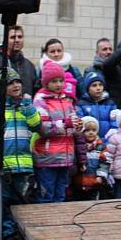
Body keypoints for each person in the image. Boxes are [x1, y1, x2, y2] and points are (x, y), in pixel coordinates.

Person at [0, 68, 41, 240]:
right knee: (3, 201)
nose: (16, 85)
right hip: (3, 165)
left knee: (18, 201)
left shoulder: (25, 105)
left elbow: (36, 124)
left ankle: (17, 232)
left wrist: (27, 105)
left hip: (23, 164)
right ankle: (6, 233)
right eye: (10, 83)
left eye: (18, 81)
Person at [32, 61, 86, 203]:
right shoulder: (40, 101)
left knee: (61, 195)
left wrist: (78, 126)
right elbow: (42, 127)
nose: (58, 84)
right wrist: (65, 124)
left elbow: (73, 124)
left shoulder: (67, 100)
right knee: (46, 195)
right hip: (47, 158)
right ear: (46, 82)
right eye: (54, 81)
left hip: (65, 157)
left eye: (61, 80)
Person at [0, 25, 38, 98]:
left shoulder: (29, 65)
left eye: (20, 37)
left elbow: (35, 90)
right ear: (5, 40)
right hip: (1, 107)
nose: (17, 40)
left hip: (25, 108)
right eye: (13, 37)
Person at [72, 116, 110, 201]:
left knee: (91, 203)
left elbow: (104, 162)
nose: (91, 133)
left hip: (93, 182)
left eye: (94, 130)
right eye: (87, 130)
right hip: (77, 182)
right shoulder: (77, 146)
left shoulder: (101, 147)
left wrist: (101, 176)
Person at [77, 71, 118, 139]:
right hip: (89, 142)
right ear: (88, 88)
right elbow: (80, 124)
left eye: (100, 85)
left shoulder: (110, 104)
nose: (98, 88)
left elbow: (115, 122)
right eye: (94, 85)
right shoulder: (81, 104)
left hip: (108, 141)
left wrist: (111, 137)